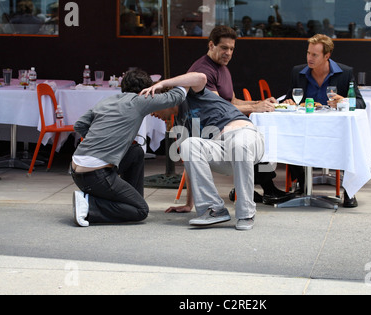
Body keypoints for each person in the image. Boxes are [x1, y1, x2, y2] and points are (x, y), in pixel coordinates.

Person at [71, 69, 207, 227]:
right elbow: (177, 96)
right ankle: (89, 206)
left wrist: (100, 143)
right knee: (140, 210)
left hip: (76, 171)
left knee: (135, 151)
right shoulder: (140, 100)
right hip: (96, 175)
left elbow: (79, 125)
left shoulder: (106, 100)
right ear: (147, 90)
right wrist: (185, 82)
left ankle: (128, 198)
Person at [186, 25, 293, 208]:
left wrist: (260, 103)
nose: (228, 53)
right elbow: (221, 108)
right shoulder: (204, 71)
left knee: (260, 135)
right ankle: (260, 188)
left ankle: (257, 187)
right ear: (211, 45)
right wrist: (256, 107)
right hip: (210, 132)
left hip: (225, 125)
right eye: (224, 48)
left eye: (232, 49)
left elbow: (233, 101)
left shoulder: (222, 67)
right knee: (256, 136)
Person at [144, 83, 265, 231]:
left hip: (245, 136)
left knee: (238, 145)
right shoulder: (180, 124)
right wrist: (189, 204)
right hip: (221, 152)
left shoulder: (194, 96)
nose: (151, 113)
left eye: (152, 107)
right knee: (188, 145)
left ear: (166, 100)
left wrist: (162, 84)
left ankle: (246, 212)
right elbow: (191, 165)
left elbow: (200, 77)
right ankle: (213, 209)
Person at [283, 34, 366, 207]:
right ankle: (301, 184)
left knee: (350, 141)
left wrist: (343, 101)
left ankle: (349, 191)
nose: (309, 58)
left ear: (327, 56)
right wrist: (290, 102)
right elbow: (290, 98)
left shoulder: (344, 73)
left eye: (315, 55)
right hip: (306, 129)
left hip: (334, 131)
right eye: (308, 53)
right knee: (289, 135)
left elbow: (360, 103)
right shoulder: (298, 72)